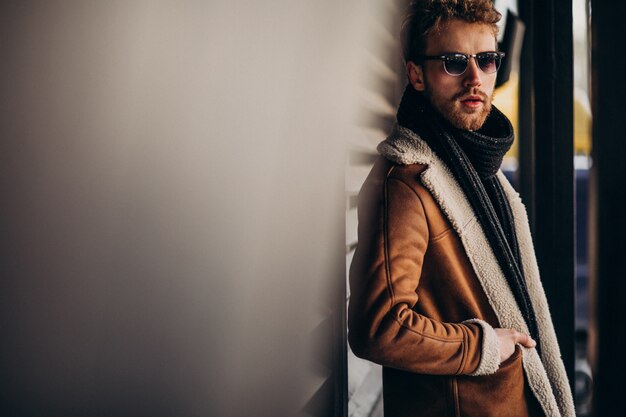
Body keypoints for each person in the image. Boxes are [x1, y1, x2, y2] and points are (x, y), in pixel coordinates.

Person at [347, 1, 575, 416]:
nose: (475, 78)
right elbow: (378, 328)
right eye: (454, 62)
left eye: (486, 61)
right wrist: (488, 347)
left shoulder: (471, 166)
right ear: (416, 74)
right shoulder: (406, 186)